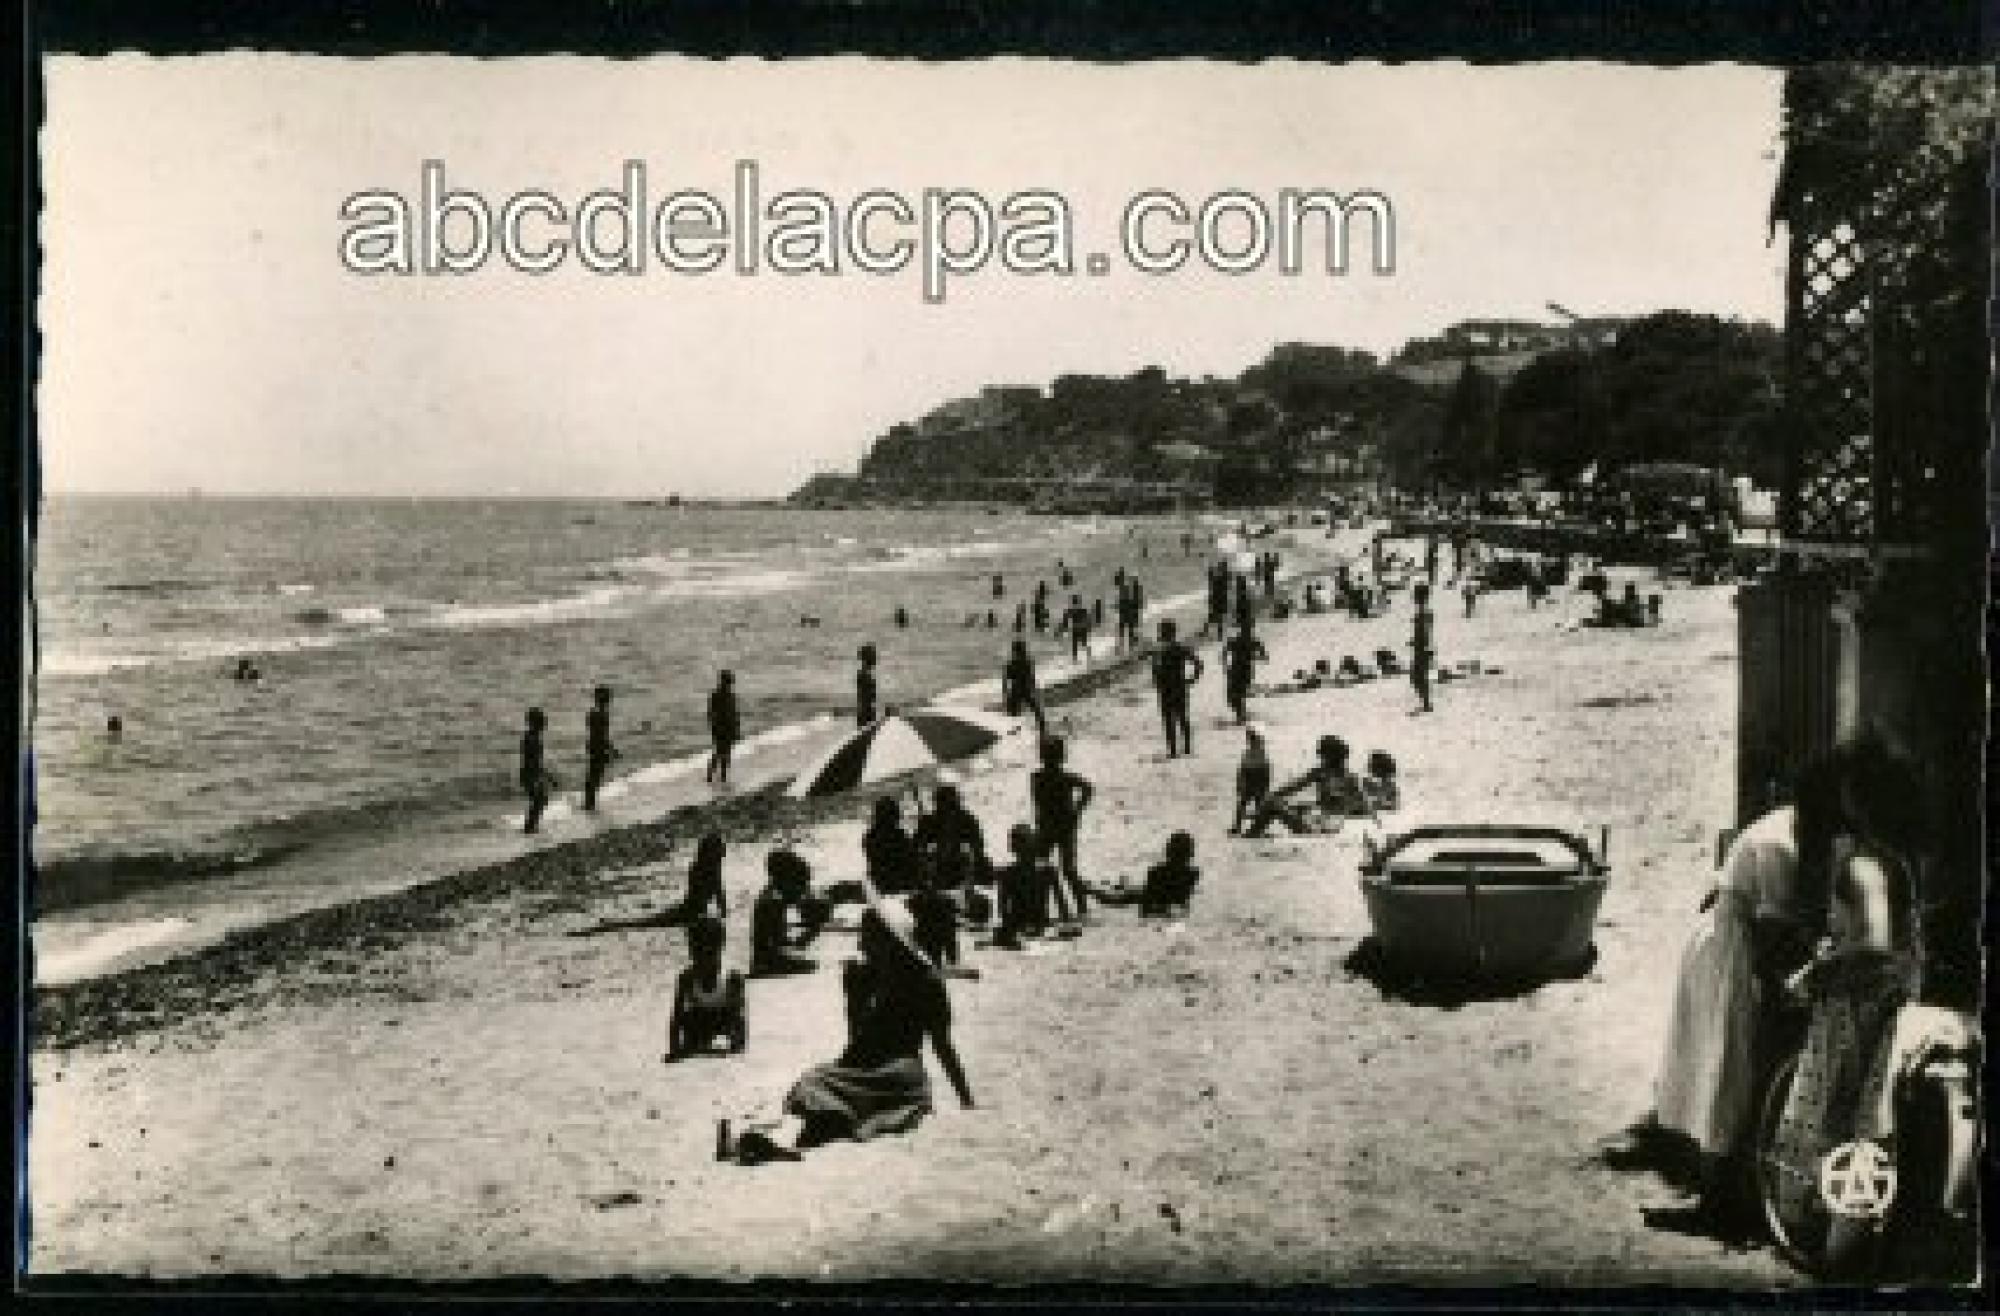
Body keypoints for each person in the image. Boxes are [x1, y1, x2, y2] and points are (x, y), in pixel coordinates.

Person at [1619, 757, 1845, 1216]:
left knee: (1739, 1061)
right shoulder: (1777, 845)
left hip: (1747, 941)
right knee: (1730, 1065)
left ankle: (1733, 1180)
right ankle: (1715, 1196)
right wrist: (1788, 987)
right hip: (1731, 949)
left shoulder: (1808, 837)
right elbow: (1771, 935)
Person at [1767, 739, 1927, 1270]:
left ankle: (1838, 1254)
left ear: (1858, 799)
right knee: (1866, 1126)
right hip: (1885, 1006)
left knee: (1842, 1124)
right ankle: (1846, 1246)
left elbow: (1875, 945)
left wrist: (1816, 972)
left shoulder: (1864, 867)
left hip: (1858, 1011)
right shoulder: (1896, 860)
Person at [720, 895, 974, 1165]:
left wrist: (966, 1098)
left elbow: (940, 1047)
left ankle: (775, 1140)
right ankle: (777, 1141)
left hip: (896, 1076)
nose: (861, 944)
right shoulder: (886, 977)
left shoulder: (920, 983)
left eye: (868, 936)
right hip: (884, 1073)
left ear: (889, 941)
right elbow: (930, 1044)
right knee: (823, 1092)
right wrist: (854, 999)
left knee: (814, 1083)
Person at [573, 831, 731, 934]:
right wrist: (721, 914)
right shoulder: (709, 870)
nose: (722, 853)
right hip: (690, 912)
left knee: (643, 922)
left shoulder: (699, 867)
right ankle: (609, 924)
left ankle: (609, 924)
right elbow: (718, 896)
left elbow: (713, 896)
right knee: (643, 922)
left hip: (688, 909)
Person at [1242, 734, 1376, 838]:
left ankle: (1252, 834)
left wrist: (1270, 797)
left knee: (1273, 804)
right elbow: (1363, 807)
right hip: (1331, 825)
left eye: (1323, 756)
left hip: (1317, 825)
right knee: (1289, 805)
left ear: (1328, 757)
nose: (1321, 759)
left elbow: (1292, 788)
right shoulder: (1351, 778)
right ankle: (1254, 830)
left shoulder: (1321, 773)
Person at [1029, 737, 1094, 922]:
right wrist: (1077, 809)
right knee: (1067, 869)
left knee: (1045, 869)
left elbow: (1038, 803)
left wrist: (1077, 809)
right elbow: (1087, 788)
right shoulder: (1065, 778)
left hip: (1049, 827)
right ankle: (1081, 906)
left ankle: (1044, 908)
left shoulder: (1037, 778)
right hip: (1063, 825)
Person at [666, 915, 748, 1061]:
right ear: (691, 950)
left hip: (724, 1021)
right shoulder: (686, 978)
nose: (703, 957)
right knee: (689, 1020)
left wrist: (737, 1044)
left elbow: (740, 1016)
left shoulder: (732, 977)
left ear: (720, 948)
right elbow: (676, 1018)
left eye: (709, 952)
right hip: (699, 1022)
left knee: (734, 1017)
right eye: (697, 952)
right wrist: (674, 1049)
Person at [1082, 831, 1200, 918]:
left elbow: (1146, 906)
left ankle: (1089, 888)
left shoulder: (1156, 871)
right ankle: (1093, 888)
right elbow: (1182, 901)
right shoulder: (1192, 875)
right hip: (1147, 897)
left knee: (1114, 896)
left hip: (1142, 896)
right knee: (1117, 894)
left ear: (1168, 851)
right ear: (1190, 854)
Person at [750, 850, 828, 978]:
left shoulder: (773, 898)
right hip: (767, 963)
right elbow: (768, 954)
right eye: (801, 884)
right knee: (818, 966)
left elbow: (779, 941)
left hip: (768, 960)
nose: (803, 890)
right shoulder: (773, 903)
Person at [913, 783, 992, 892]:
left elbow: (978, 848)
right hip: (949, 871)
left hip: (952, 871)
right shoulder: (965, 820)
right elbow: (978, 847)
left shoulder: (933, 821)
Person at [990, 823, 1058, 949]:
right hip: (1039, 922)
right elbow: (1060, 907)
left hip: (1020, 923)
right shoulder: (1048, 871)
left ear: (1012, 848)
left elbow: (1002, 908)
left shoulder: (1007, 873)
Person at [1149, 620, 1204, 757]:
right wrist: (1192, 679)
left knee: (1169, 719)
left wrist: (1157, 683)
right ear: (1173, 633)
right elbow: (1198, 664)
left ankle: (1173, 749)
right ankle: (1187, 747)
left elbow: (1155, 670)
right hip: (1179, 686)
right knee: (1182, 717)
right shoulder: (1180, 649)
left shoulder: (1159, 651)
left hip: (1166, 688)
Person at [862, 796, 921, 896]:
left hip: (879, 883)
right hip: (898, 882)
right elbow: (909, 857)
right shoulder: (898, 836)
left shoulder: (870, 837)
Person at [1220, 621, 1269, 724]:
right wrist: (1256, 657)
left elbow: (1225, 652)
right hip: (1244, 670)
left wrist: (1225, 665)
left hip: (1237, 670)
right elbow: (1264, 656)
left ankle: (1240, 714)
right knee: (1238, 693)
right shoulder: (1252, 641)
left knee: (1234, 694)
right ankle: (1241, 713)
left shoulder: (1237, 641)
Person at [1228, 724, 1272, 836]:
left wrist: (1240, 782)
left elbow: (1244, 769)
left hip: (1253, 778)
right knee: (1254, 805)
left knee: (1248, 805)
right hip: (1254, 779)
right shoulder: (1257, 753)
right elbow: (1264, 769)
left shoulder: (1254, 753)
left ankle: (1243, 827)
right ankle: (1253, 827)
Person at [1001, 639, 1047, 736]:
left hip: (1018, 689)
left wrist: (1006, 693)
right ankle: (1041, 727)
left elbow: (1006, 680)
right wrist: (1033, 688)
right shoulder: (1026, 662)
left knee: (1016, 711)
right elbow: (1031, 677)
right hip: (1024, 689)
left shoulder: (1012, 663)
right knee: (1034, 709)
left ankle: (1017, 728)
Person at [519, 707, 555, 834]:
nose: (544, 724)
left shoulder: (530, 737)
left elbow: (534, 761)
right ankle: (530, 827)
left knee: (539, 800)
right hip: (530, 773)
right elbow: (533, 761)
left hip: (529, 772)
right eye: (542, 722)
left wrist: (546, 776)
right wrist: (545, 776)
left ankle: (531, 826)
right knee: (539, 800)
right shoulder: (532, 739)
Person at [582, 685, 616, 812]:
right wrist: (609, 749)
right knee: (595, 776)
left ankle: (589, 803)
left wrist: (609, 748)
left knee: (593, 775)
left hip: (593, 746)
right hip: (598, 747)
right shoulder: (601, 714)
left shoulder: (593, 713)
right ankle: (589, 804)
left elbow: (596, 734)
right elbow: (601, 735)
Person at [706, 671, 741, 785]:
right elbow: (711, 713)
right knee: (720, 753)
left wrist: (736, 728)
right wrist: (714, 727)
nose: (729, 685)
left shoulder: (728, 695)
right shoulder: (718, 695)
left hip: (727, 727)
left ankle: (721, 777)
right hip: (721, 727)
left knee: (725, 753)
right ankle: (711, 776)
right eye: (728, 682)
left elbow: (734, 713)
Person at [1410, 583, 1436, 714]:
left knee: (1418, 677)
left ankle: (1426, 704)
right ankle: (1426, 703)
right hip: (1422, 647)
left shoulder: (1423, 613)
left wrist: (1422, 644)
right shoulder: (1424, 612)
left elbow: (1424, 632)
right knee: (1419, 676)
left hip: (1422, 648)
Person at [1058, 594, 1092, 663]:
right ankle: (1085, 657)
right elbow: (1088, 620)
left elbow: (1065, 619)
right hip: (1081, 629)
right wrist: (1088, 627)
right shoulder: (1083, 610)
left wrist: (1063, 628)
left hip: (1076, 629)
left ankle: (1076, 659)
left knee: (1076, 645)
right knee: (1082, 644)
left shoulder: (1072, 610)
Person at [855, 644, 879, 727]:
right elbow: (866, 699)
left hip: (865, 714)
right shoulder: (865, 676)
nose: (875, 660)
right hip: (866, 715)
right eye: (873, 657)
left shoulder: (864, 675)